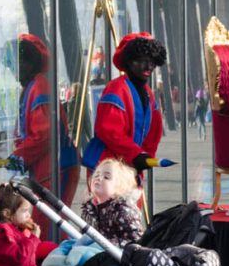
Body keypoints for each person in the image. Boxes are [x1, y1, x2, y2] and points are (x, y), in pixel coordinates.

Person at [12, 34, 80, 230]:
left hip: (55, 167)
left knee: (49, 225)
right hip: (50, 166)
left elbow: (44, 135)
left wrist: (16, 157)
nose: (13, 71)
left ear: (29, 63)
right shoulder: (34, 86)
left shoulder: (39, 86)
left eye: (17, 64)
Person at [81, 32, 166, 180]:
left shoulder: (148, 94)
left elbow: (154, 131)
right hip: (107, 169)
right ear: (129, 62)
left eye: (151, 61)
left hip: (129, 169)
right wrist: (136, 155)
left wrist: (145, 156)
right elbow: (109, 130)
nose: (148, 66)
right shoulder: (116, 88)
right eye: (142, 61)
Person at [81, 158, 144, 247]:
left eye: (106, 177)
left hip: (116, 255)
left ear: (120, 187)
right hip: (97, 253)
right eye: (96, 175)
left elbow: (136, 240)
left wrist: (106, 244)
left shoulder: (122, 209)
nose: (99, 178)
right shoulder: (89, 209)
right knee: (68, 245)